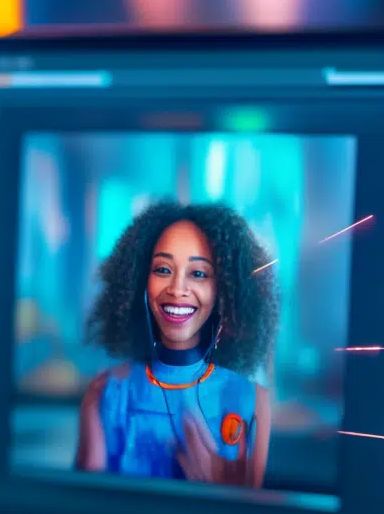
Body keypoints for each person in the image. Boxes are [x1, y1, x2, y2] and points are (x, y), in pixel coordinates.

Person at [75, 202, 279, 487]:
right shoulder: (106, 394)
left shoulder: (252, 402)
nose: (177, 289)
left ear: (224, 291)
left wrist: (226, 490)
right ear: (138, 283)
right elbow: (86, 513)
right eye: (162, 269)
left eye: (198, 273)